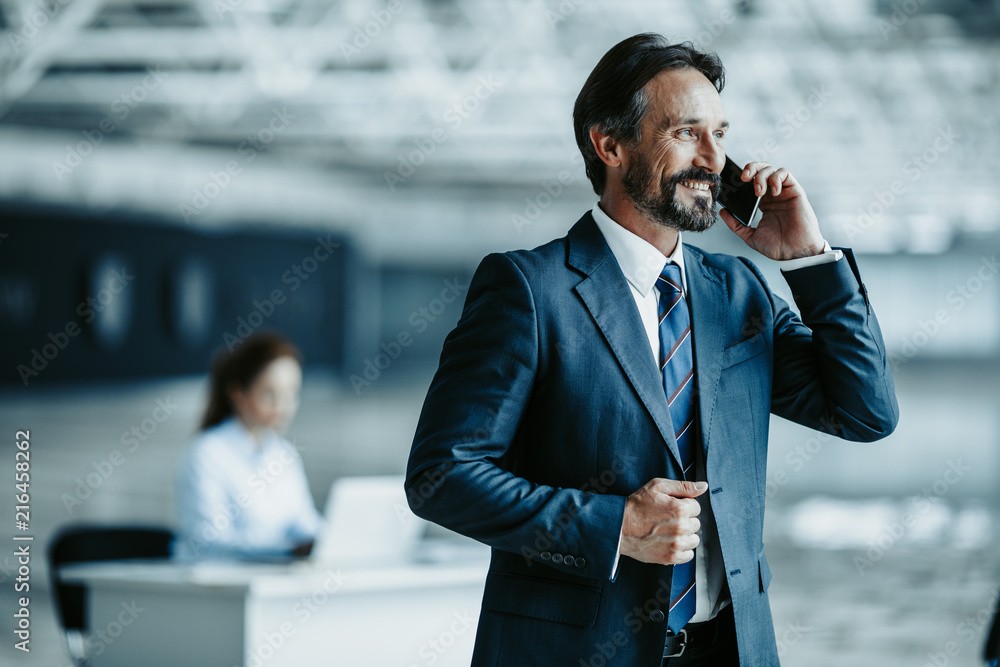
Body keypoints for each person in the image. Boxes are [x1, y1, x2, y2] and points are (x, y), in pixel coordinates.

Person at [404, 33, 898, 666]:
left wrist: (810, 262)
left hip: (731, 648)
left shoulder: (738, 292)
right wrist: (614, 525)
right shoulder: (529, 290)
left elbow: (866, 414)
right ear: (610, 144)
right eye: (686, 132)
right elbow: (442, 476)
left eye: (721, 133)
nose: (714, 159)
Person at [174, 332, 321, 560]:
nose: (283, 407)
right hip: (215, 584)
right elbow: (208, 540)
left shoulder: (283, 454)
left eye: (291, 394)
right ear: (238, 394)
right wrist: (283, 550)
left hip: (270, 577)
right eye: (270, 395)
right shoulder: (207, 454)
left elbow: (304, 523)